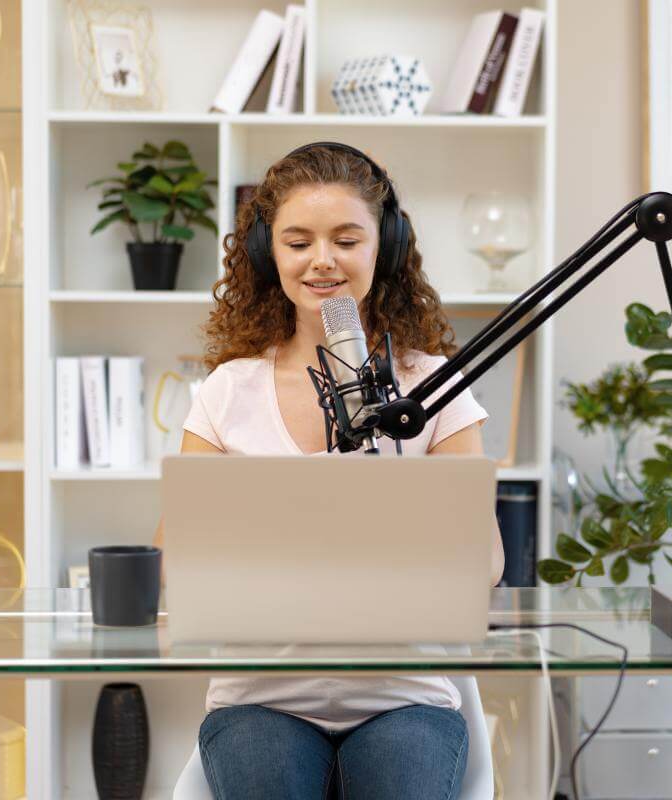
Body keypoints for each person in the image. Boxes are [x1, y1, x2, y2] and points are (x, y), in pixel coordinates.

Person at [154, 142, 504, 799]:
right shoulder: (229, 390)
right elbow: (175, 556)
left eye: (347, 239)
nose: (322, 260)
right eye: (297, 241)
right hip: (260, 700)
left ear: (385, 248)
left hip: (404, 697)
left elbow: (484, 562)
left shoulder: (433, 387)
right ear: (268, 255)